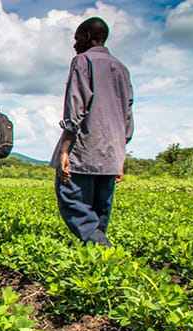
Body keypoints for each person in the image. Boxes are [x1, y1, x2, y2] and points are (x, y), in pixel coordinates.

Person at [51, 17, 134, 246]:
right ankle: (96, 256)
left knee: (70, 197)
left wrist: (65, 149)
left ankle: (102, 248)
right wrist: (120, 156)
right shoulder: (121, 68)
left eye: (77, 38)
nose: (74, 44)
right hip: (112, 151)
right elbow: (127, 115)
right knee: (100, 208)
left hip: (86, 147)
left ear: (88, 37)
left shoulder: (82, 61)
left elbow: (75, 107)